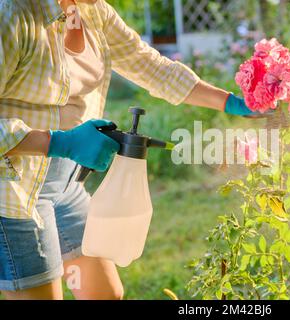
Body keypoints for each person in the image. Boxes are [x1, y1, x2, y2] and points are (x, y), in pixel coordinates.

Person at [0, 0, 255, 300]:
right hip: (14, 191)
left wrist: (231, 102)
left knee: (105, 295)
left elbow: (153, 67)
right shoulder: (14, 14)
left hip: (66, 184)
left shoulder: (94, 12)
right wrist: (59, 142)